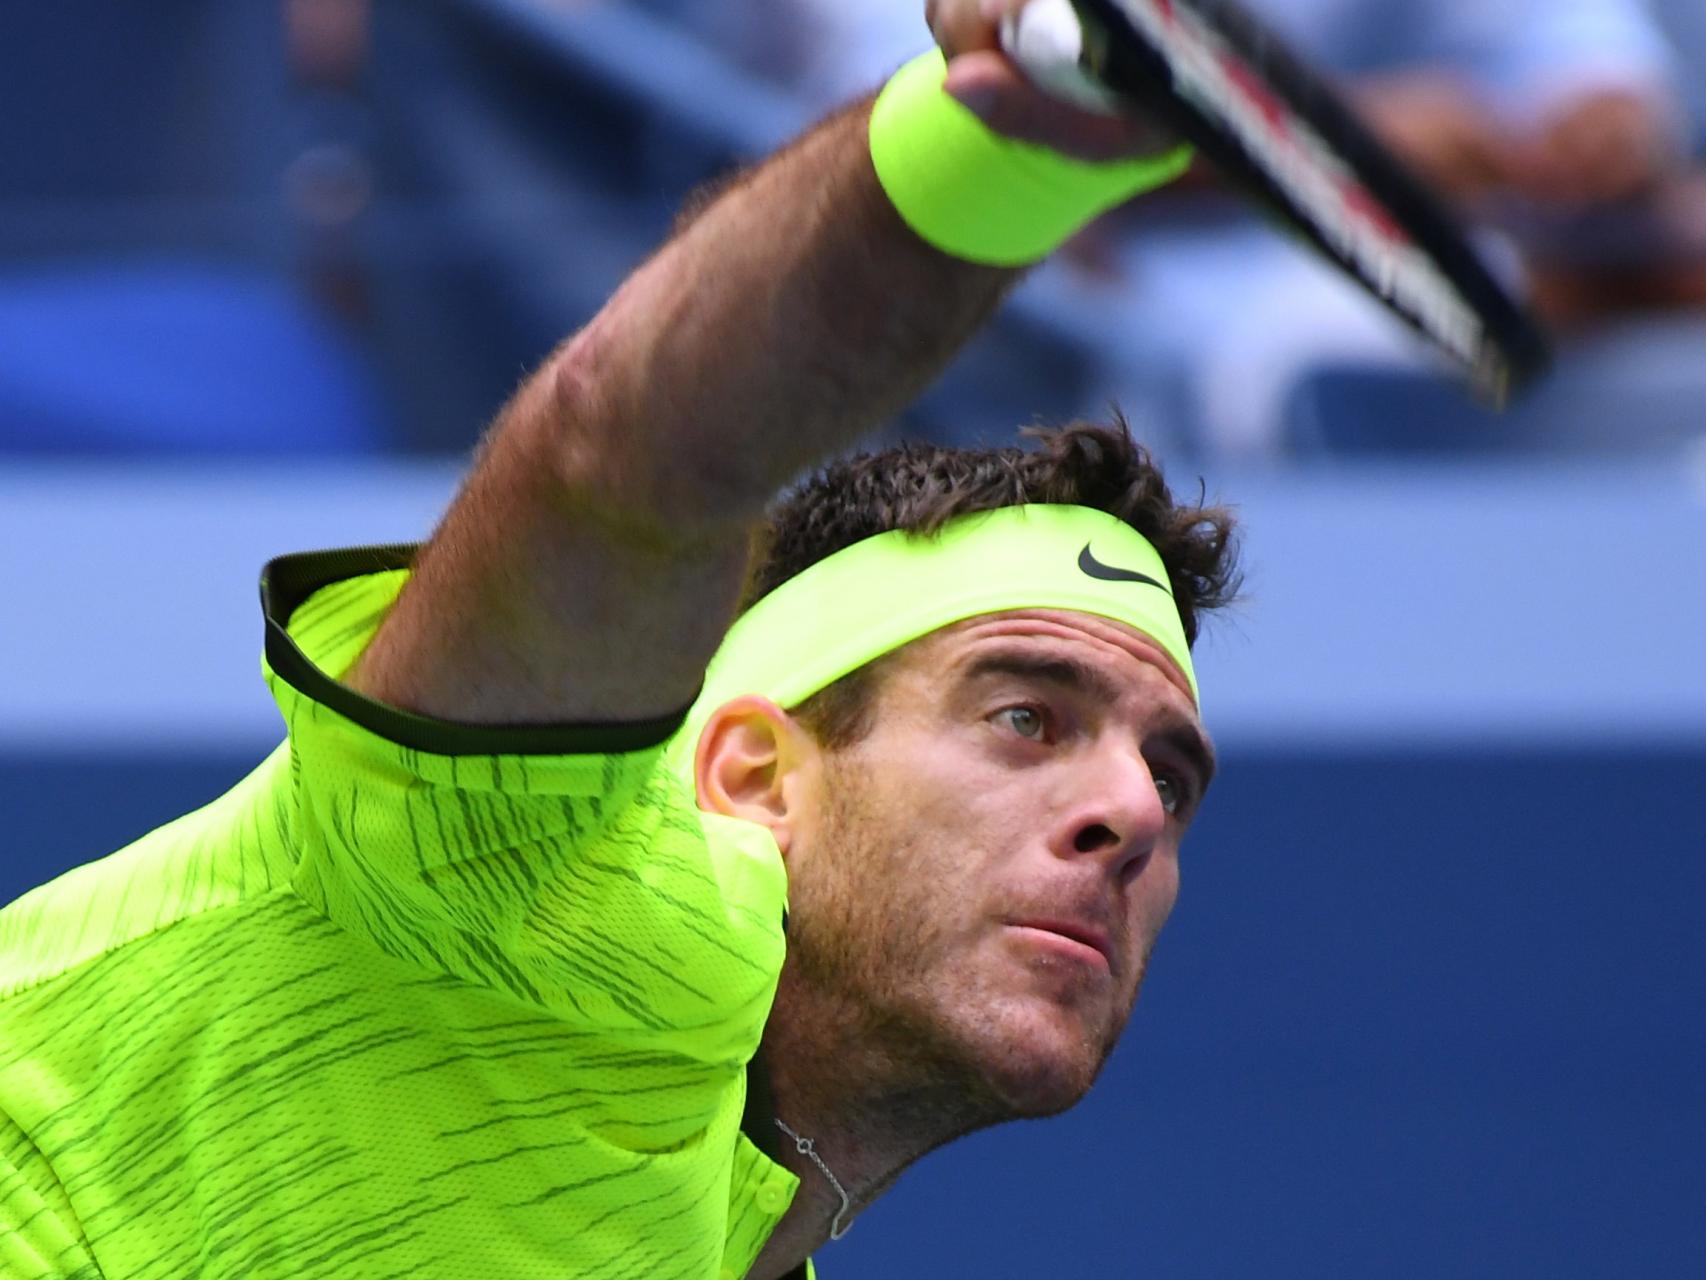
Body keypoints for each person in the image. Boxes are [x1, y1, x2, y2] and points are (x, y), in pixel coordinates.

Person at [0, 3, 1240, 1277]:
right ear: (750, 775)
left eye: (1168, 775)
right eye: (1023, 715)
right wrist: (997, 151)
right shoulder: (546, 882)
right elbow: (623, 450)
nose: (1129, 812)